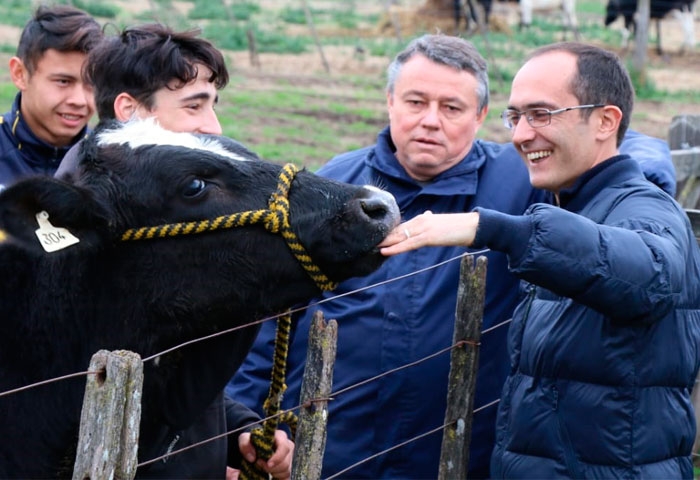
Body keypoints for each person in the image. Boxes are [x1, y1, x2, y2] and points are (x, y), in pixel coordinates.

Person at [227, 34, 678, 478]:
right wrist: (246, 422)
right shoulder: (336, 187)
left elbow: (607, 141)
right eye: (415, 102)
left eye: (452, 108)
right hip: (330, 454)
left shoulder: (521, 181)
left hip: (460, 456)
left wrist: (641, 180)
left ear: (481, 115)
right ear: (389, 102)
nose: (430, 121)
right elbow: (272, 320)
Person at [379, 41, 700, 478]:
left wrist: (490, 228)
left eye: (541, 114)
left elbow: (651, 276)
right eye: (515, 116)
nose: (520, 135)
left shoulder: (644, 209)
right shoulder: (575, 208)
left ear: (606, 121)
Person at [55, 24, 293, 479]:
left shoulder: (176, 219)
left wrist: (238, 433)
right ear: (130, 112)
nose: (213, 126)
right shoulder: (80, 237)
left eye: (212, 105)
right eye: (193, 106)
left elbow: (179, 366)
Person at [0, 4, 102, 190]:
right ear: (20, 74)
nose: (79, 100)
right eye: (63, 81)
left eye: (91, 84)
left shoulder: (111, 163)